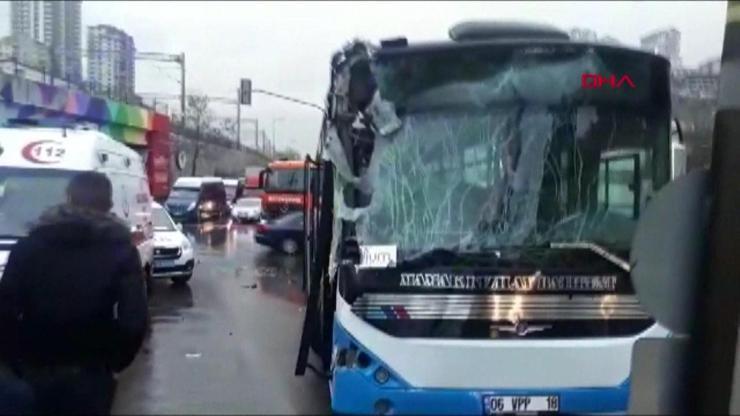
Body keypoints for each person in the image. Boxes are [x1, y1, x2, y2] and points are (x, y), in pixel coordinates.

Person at [0, 171, 149, 414]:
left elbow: (4, 310)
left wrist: (16, 361)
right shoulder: (120, 250)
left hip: (32, 373)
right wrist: (111, 362)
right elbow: (133, 321)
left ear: (68, 198)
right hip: (90, 377)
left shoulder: (29, 247)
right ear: (109, 204)